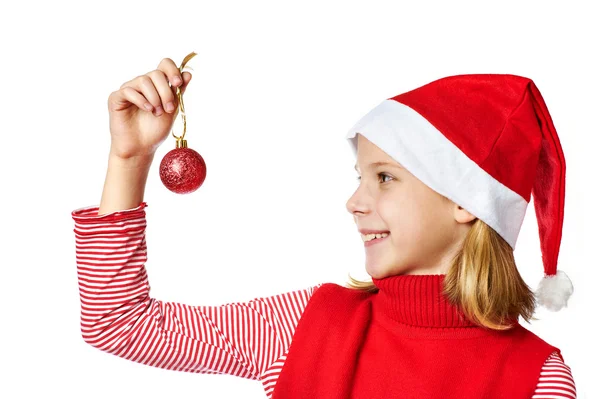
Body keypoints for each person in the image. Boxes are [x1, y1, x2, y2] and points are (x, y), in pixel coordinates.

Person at [72, 57, 577, 398]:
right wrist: (130, 157)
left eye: (385, 178)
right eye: (361, 178)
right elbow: (118, 323)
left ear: (465, 201)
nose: (355, 202)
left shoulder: (538, 380)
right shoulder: (303, 326)